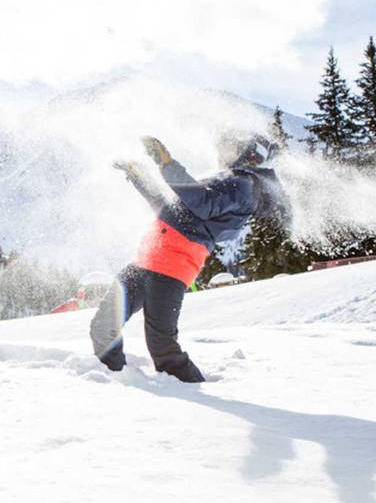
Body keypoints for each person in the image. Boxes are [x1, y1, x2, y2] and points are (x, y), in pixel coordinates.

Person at [91, 134, 287, 382]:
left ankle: (198, 400)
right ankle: (115, 385)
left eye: (232, 147)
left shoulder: (244, 186)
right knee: (103, 326)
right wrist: (137, 175)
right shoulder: (225, 182)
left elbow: (202, 204)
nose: (223, 153)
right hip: (146, 260)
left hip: (172, 267)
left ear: (251, 154)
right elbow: (169, 207)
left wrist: (167, 164)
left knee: (163, 351)